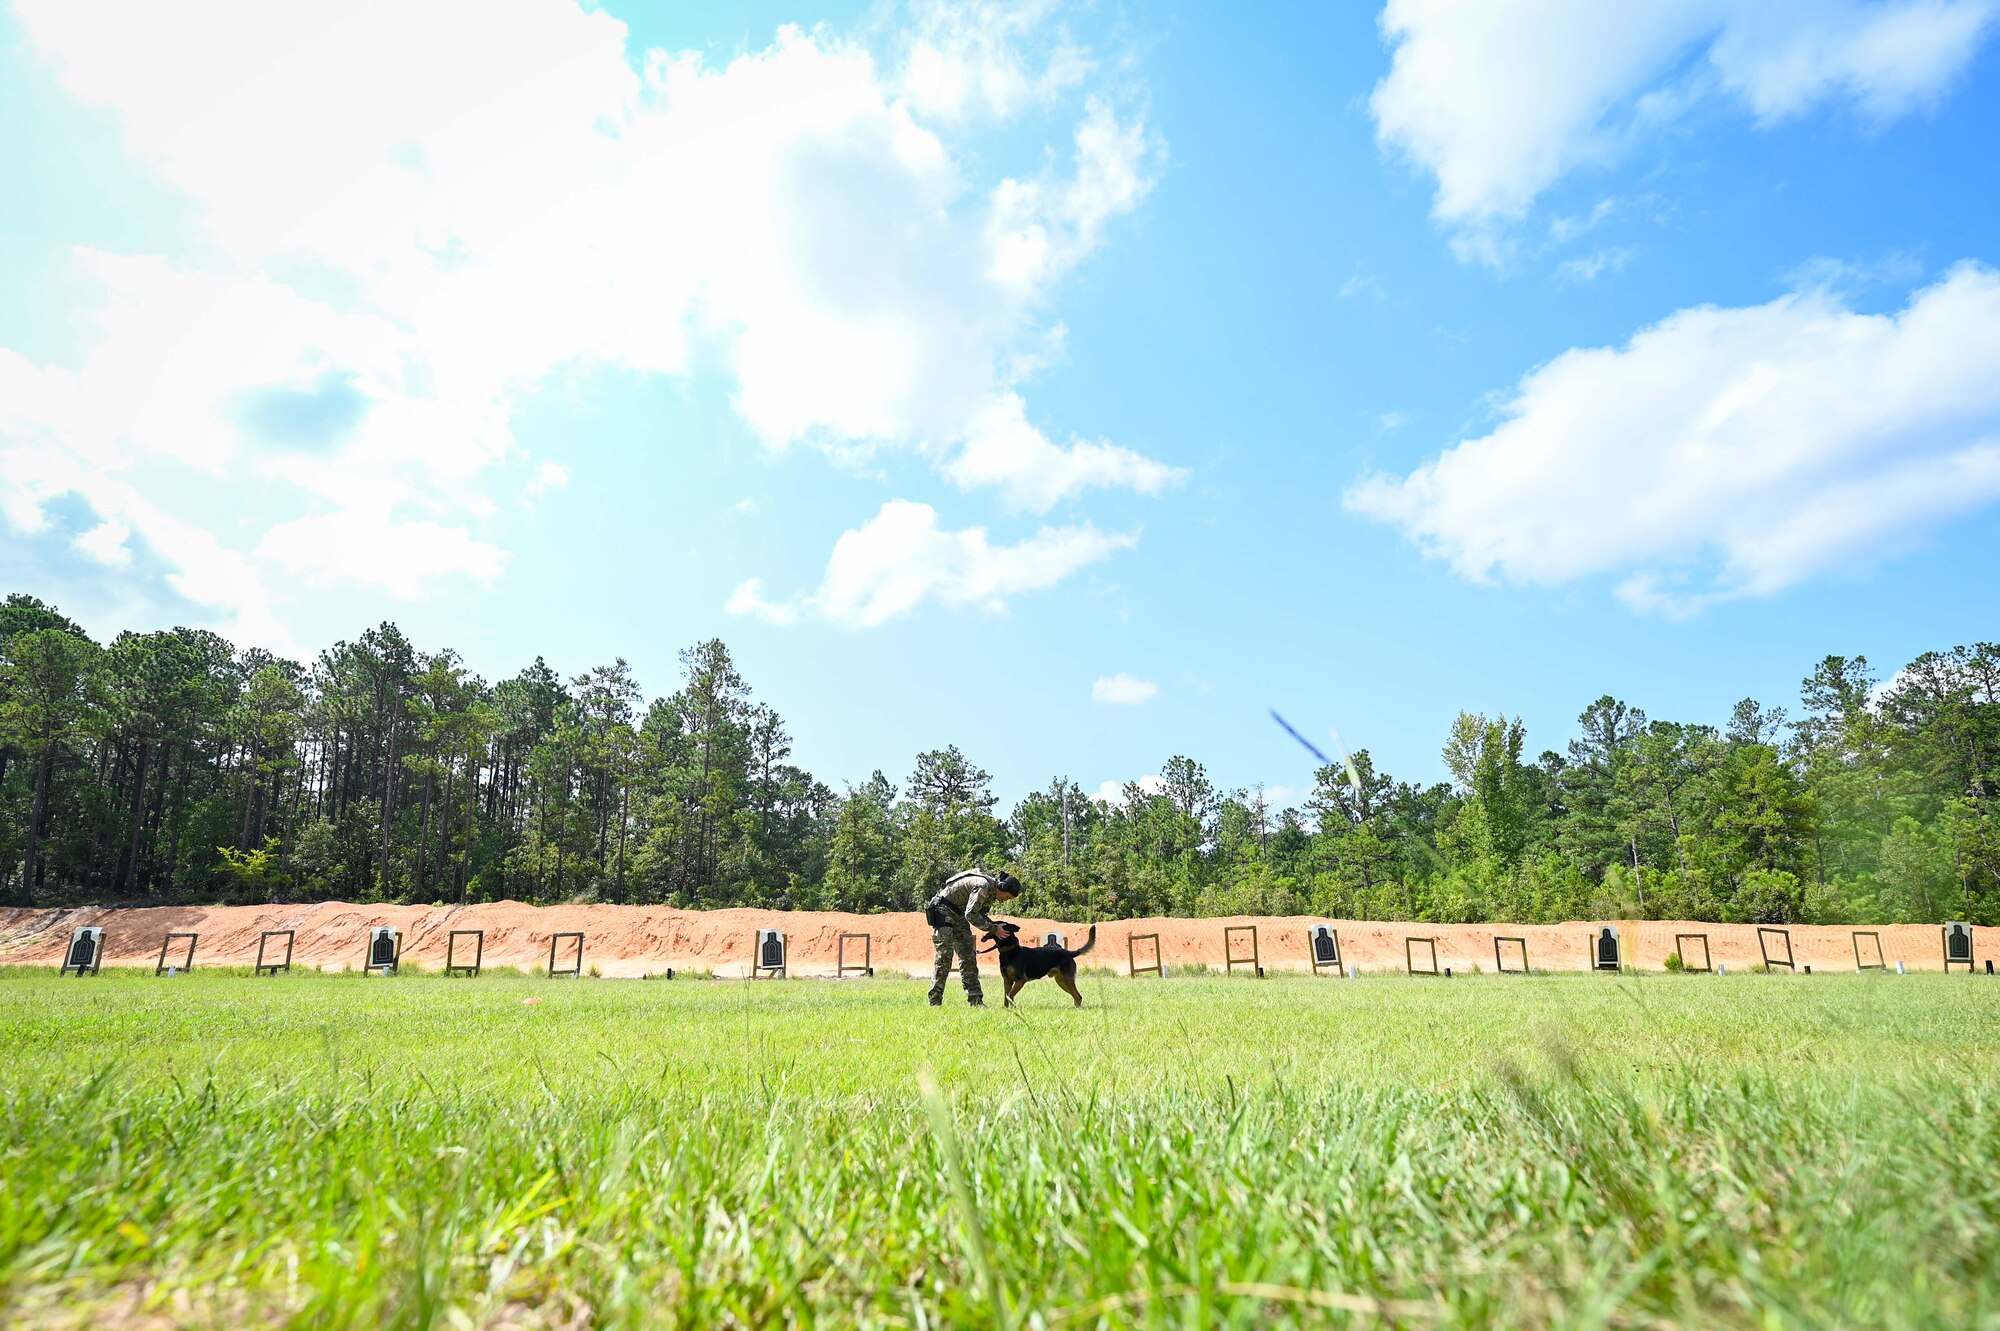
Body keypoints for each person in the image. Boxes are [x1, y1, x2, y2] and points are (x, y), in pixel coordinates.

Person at [925, 868, 1021, 1006]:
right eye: (1006, 897)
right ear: (1002, 887)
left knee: (968, 957)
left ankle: (976, 1001)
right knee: (944, 957)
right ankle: (934, 1002)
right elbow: (971, 915)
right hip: (943, 911)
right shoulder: (983, 886)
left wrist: (994, 927)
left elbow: (977, 914)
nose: (1005, 900)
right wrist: (994, 929)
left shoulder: (990, 891)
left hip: (959, 915)